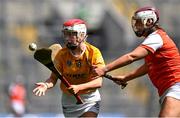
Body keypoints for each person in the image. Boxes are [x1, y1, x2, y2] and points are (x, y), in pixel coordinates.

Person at [93, 6, 180, 117]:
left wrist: (104, 69)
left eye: (139, 22)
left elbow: (132, 57)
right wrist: (126, 77)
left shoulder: (156, 38)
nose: (136, 26)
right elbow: (148, 66)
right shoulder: (155, 39)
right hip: (170, 88)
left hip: (176, 87)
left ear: (149, 22)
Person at [33, 19, 105, 117]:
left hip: (90, 99)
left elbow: (98, 82)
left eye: (71, 34)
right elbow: (53, 78)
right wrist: (46, 85)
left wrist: (78, 88)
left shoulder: (93, 52)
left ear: (82, 35)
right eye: (66, 34)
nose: (67, 38)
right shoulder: (61, 55)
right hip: (69, 101)